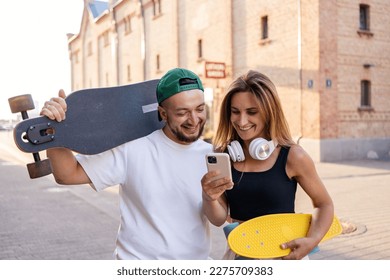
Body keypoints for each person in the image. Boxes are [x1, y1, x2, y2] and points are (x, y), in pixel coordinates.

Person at [40, 68, 213, 260]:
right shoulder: (134, 148)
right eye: (182, 112)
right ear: (163, 113)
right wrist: (54, 130)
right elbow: (68, 174)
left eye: (199, 109)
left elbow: (226, 215)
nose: (194, 120)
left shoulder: (211, 156)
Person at [201, 70, 334, 260]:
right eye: (235, 112)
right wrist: (208, 197)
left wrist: (312, 240)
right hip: (240, 256)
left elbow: (325, 204)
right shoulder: (225, 156)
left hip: (284, 257)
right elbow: (218, 218)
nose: (242, 121)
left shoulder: (293, 156)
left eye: (252, 112)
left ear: (269, 112)